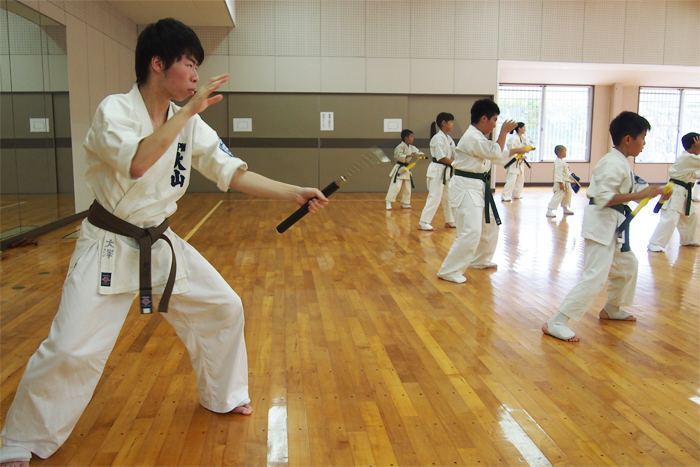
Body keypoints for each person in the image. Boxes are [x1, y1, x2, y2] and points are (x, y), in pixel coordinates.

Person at [0, 18, 328, 466]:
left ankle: (224, 394)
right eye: (189, 63)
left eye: (197, 66)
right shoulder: (115, 111)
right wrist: (189, 112)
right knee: (72, 347)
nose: (195, 75)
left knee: (223, 306)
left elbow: (233, 173)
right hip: (109, 244)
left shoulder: (185, 121)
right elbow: (137, 163)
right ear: (158, 63)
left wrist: (294, 192)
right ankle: (22, 438)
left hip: (160, 240)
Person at [542, 111, 669, 342]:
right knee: (595, 277)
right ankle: (556, 321)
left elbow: (634, 186)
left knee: (628, 266)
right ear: (628, 139)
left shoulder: (621, 163)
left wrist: (656, 191)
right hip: (602, 223)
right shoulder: (611, 163)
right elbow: (601, 197)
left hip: (614, 225)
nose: (644, 143)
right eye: (642, 137)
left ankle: (612, 307)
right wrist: (640, 195)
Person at [436, 99, 523, 283]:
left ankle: (480, 260)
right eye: (494, 120)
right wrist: (504, 132)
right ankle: (449, 270)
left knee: (490, 225)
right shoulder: (472, 137)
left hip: (478, 185)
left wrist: (517, 150)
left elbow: (496, 156)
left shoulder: (479, 137)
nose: (495, 125)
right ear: (484, 118)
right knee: (471, 231)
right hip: (466, 186)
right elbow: (495, 153)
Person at [647, 132, 700, 252]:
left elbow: (696, 173)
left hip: (683, 192)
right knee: (670, 218)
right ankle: (654, 242)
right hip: (674, 191)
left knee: (691, 216)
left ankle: (689, 240)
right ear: (694, 145)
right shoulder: (688, 157)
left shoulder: (690, 158)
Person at [418, 113, 456, 231]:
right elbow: (441, 157)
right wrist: (456, 164)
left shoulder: (448, 139)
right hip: (437, 170)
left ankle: (450, 220)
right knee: (434, 196)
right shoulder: (437, 138)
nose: (452, 124)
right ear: (443, 123)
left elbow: (455, 154)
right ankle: (424, 222)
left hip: (446, 171)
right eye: (450, 122)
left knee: (448, 197)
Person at [386, 129, 423, 210]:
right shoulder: (400, 147)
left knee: (407, 188)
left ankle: (405, 203)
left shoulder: (412, 147)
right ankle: (388, 201)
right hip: (400, 168)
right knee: (396, 186)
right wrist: (411, 155)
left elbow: (419, 153)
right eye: (411, 137)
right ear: (406, 138)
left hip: (407, 169)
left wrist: (421, 155)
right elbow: (398, 156)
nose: (412, 139)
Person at [501, 122, 530, 202]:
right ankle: (505, 196)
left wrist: (529, 148)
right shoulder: (513, 139)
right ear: (519, 129)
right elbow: (512, 151)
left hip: (520, 162)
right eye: (524, 128)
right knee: (511, 180)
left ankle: (516, 194)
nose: (525, 129)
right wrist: (520, 157)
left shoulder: (523, 138)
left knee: (520, 179)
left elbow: (528, 144)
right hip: (513, 162)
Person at [546, 145, 576, 217]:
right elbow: (558, 173)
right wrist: (561, 183)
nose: (566, 153)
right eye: (565, 151)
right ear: (561, 152)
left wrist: (574, 178)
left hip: (566, 182)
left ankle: (565, 208)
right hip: (560, 183)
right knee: (558, 196)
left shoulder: (562, 162)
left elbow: (567, 173)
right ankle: (550, 210)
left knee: (567, 196)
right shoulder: (558, 162)